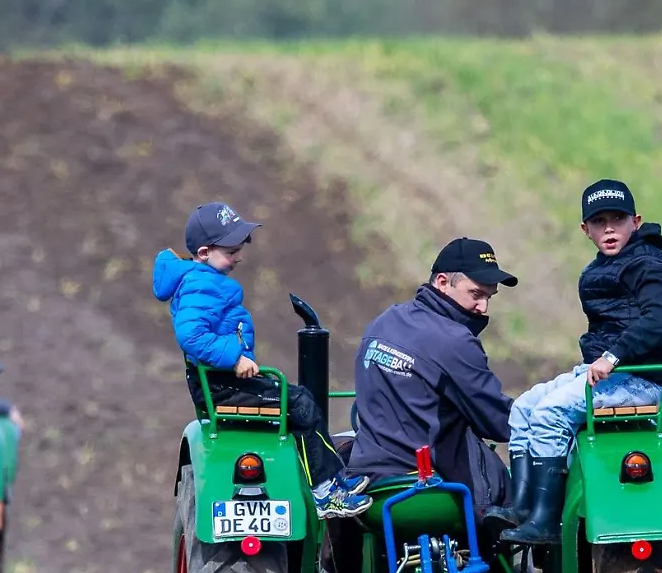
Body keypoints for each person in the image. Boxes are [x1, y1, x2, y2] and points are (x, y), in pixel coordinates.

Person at [488, 179, 662, 545]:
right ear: (585, 229)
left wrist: (613, 355)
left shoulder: (649, 264)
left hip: (635, 379)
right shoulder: (607, 264)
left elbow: (658, 320)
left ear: (636, 221)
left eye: (618, 219)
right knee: (526, 408)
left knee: (551, 414)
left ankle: (546, 522)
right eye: (599, 221)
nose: (609, 228)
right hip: (605, 372)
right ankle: (524, 507)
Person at [155, 200, 370, 519]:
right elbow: (192, 336)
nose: (239, 256)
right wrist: (234, 359)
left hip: (224, 381)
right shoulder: (201, 284)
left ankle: (332, 478)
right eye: (231, 251)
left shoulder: (203, 280)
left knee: (299, 402)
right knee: (300, 404)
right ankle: (325, 493)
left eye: (240, 248)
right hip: (221, 385)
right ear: (204, 253)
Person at [347, 238, 518, 518]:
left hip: (368, 482)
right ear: (442, 282)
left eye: (489, 297)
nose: (483, 307)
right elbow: (499, 423)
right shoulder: (455, 341)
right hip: (427, 488)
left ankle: (339, 561)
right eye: (476, 294)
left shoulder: (383, 321)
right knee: (508, 499)